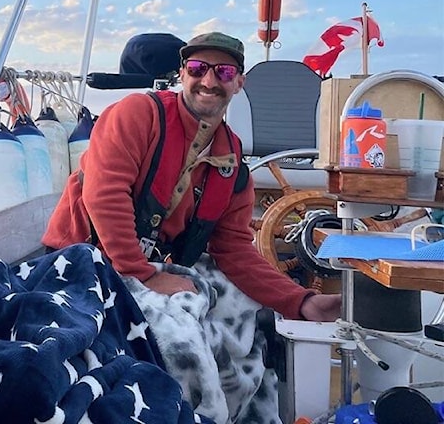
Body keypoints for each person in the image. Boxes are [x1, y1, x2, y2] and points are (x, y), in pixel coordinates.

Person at [42, 32, 341, 423]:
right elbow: (105, 194)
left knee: (252, 317)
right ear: (181, 74)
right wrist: (143, 275)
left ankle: (243, 412)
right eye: (198, 68)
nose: (210, 81)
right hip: (83, 262)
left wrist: (299, 301)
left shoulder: (232, 162)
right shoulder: (136, 114)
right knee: (180, 339)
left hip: (152, 268)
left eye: (224, 71)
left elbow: (234, 249)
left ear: (239, 82)